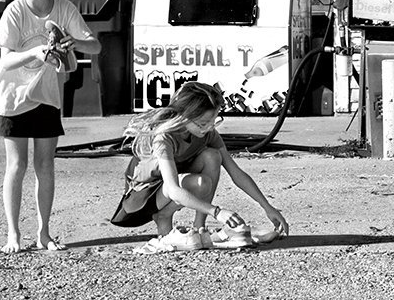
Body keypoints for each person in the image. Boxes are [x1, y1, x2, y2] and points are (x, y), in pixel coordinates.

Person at [0, 0, 100, 252]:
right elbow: (5, 61)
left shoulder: (64, 8)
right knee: (17, 166)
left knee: (45, 165)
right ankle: (13, 234)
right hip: (12, 98)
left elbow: (94, 46)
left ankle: (44, 233)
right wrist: (34, 52)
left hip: (47, 98)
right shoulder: (14, 12)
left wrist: (74, 42)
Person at [114, 81, 291, 253]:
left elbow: (236, 172)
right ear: (183, 116)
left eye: (213, 121)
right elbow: (173, 189)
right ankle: (163, 216)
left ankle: (199, 227)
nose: (208, 128)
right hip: (140, 202)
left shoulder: (207, 134)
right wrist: (217, 212)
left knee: (213, 156)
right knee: (200, 183)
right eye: (202, 123)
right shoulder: (164, 138)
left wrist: (267, 207)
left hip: (167, 190)